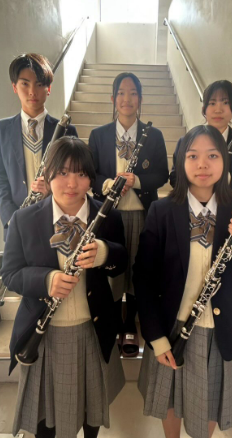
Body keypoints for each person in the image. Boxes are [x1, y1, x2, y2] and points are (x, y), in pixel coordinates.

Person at [134, 125, 232, 438]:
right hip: (172, 326)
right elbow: (143, 278)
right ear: (181, 162)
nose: (202, 164)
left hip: (221, 331)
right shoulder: (161, 210)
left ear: (225, 161)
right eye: (193, 156)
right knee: (170, 400)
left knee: (209, 403)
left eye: (212, 156)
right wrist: (155, 336)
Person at [1, 136, 127, 438]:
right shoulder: (23, 219)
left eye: (81, 173)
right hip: (45, 335)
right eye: (62, 172)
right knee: (46, 420)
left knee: (90, 413)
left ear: (91, 178)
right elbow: (10, 274)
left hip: (91, 329)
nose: (72, 183)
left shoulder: (108, 216)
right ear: (47, 174)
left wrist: (104, 253)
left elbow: (122, 261)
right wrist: (46, 280)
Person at [88, 72, 168, 357]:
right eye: (121, 93)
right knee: (111, 269)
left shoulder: (153, 136)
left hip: (141, 215)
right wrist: (108, 184)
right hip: (110, 217)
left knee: (138, 269)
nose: (127, 98)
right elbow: (90, 174)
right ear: (113, 98)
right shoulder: (98, 135)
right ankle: (112, 322)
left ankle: (129, 323)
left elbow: (163, 174)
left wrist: (138, 181)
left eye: (133, 93)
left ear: (140, 99)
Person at [0, 53, 78, 238]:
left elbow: (74, 177)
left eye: (39, 84)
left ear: (48, 88)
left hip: (57, 220)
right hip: (17, 224)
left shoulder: (67, 131)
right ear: (14, 87)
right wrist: (12, 219)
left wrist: (52, 189)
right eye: (25, 83)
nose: (32, 92)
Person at [169, 80, 232, 198]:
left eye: (226, 102)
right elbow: (174, 178)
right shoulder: (185, 142)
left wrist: (228, 179)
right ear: (204, 109)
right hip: (194, 207)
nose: (218, 110)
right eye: (212, 103)